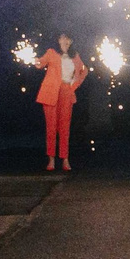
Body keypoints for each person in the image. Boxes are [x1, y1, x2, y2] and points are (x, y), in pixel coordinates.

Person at [35, 32, 86, 171]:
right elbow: (40, 63)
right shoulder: (51, 53)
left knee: (64, 127)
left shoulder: (75, 56)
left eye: (68, 38)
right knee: (51, 127)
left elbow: (83, 71)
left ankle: (65, 159)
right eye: (63, 38)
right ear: (58, 40)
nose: (66, 41)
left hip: (66, 92)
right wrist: (35, 60)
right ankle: (51, 160)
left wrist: (73, 86)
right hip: (51, 92)